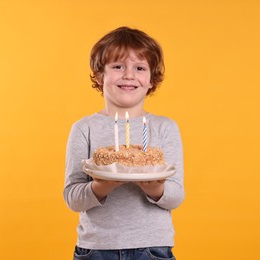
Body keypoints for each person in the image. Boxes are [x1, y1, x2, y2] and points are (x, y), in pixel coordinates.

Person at [64, 26, 184, 260]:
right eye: (118, 66)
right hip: (97, 248)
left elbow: (176, 195)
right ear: (100, 76)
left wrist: (153, 187)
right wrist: (104, 184)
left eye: (139, 68)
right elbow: (73, 197)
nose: (129, 75)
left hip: (152, 247)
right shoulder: (84, 128)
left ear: (151, 80)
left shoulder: (165, 128)